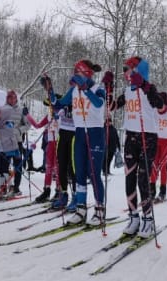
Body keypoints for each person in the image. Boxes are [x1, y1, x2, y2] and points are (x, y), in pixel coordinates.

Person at [43, 59, 106, 226]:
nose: (75, 76)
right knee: (79, 173)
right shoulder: (73, 90)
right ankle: (81, 208)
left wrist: (86, 90)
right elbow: (58, 104)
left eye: (77, 73)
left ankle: (100, 210)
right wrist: (50, 90)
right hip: (79, 133)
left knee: (93, 174)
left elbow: (99, 104)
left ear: (86, 74)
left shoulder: (98, 88)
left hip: (95, 133)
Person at [110, 56, 163, 238]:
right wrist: (107, 89)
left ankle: (149, 219)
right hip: (131, 136)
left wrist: (145, 86)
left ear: (139, 70)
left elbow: (160, 104)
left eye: (129, 68)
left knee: (143, 179)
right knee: (129, 178)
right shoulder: (127, 90)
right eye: (125, 69)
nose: (126, 72)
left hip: (147, 137)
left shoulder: (150, 88)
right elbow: (112, 106)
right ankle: (134, 217)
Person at [23, 100, 60, 203]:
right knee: (48, 167)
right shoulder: (49, 115)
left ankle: (59, 191)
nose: (51, 108)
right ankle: (46, 191)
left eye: (53, 106)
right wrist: (27, 115)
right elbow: (37, 125)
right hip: (50, 143)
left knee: (57, 168)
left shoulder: (61, 113)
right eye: (50, 106)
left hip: (58, 142)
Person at [0, 90, 29, 198]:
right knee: (2, 165)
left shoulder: (21, 110)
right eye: (9, 98)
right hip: (4, 141)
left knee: (17, 166)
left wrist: (19, 131)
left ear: (16, 99)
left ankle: (16, 188)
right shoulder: (1, 109)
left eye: (13, 98)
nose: (11, 100)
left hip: (17, 141)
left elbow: (28, 125)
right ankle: (3, 187)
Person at [149, 92, 167, 202]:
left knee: (162, 167)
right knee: (153, 166)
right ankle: (151, 191)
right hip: (156, 141)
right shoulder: (153, 112)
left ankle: (163, 192)